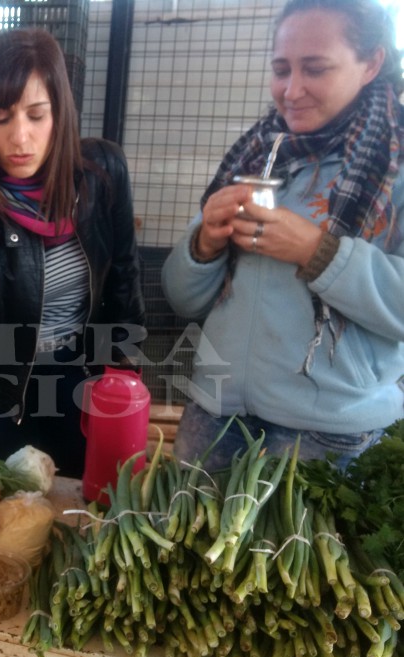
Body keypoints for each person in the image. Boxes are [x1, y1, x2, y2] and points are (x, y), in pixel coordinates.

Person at [0, 28, 145, 547]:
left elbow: (124, 285)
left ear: (60, 112)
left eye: (36, 115)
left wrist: (120, 387)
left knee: (78, 529)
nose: (19, 137)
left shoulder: (104, 173)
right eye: (1, 119)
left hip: (80, 389)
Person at [162, 0, 404, 472]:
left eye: (315, 69)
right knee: (182, 544)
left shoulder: (393, 169)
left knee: (299, 548)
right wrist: (203, 247)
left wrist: (320, 253)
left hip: (328, 430)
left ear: (371, 63)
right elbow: (182, 299)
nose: (291, 90)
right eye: (281, 69)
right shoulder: (256, 155)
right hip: (216, 412)